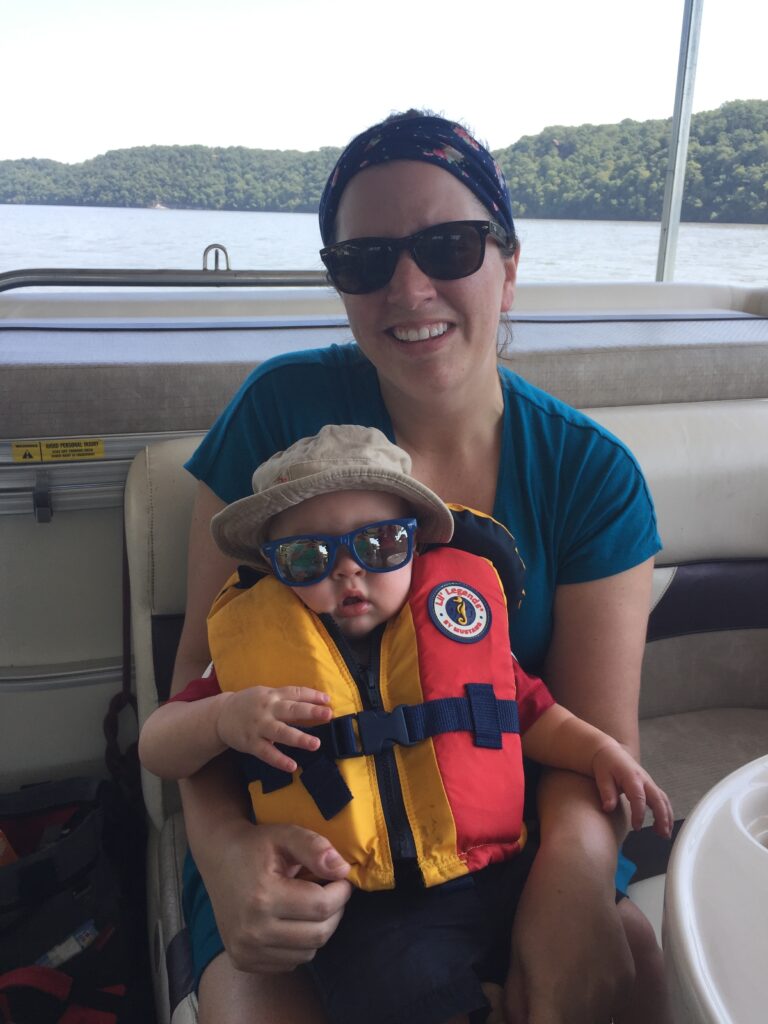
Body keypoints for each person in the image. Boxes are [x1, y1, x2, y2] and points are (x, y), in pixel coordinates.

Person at [171, 111, 671, 1024]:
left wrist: (573, 883)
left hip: (506, 841)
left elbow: (596, 746)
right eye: (365, 261)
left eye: (448, 246)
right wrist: (223, 853)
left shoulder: (588, 474)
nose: (408, 288)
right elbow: (193, 705)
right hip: (300, 846)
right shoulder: (278, 412)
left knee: (625, 965)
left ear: (508, 266)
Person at [141, 425, 673, 1024]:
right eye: (307, 557)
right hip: (374, 908)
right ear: (272, 567)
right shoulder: (251, 662)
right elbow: (158, 744)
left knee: (618, 970)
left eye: (380, 544)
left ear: (416, 545)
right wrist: (221, 718)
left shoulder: (459, 623)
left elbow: (532, 714)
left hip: (503, 867)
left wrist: (599, 750)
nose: (348, 572)